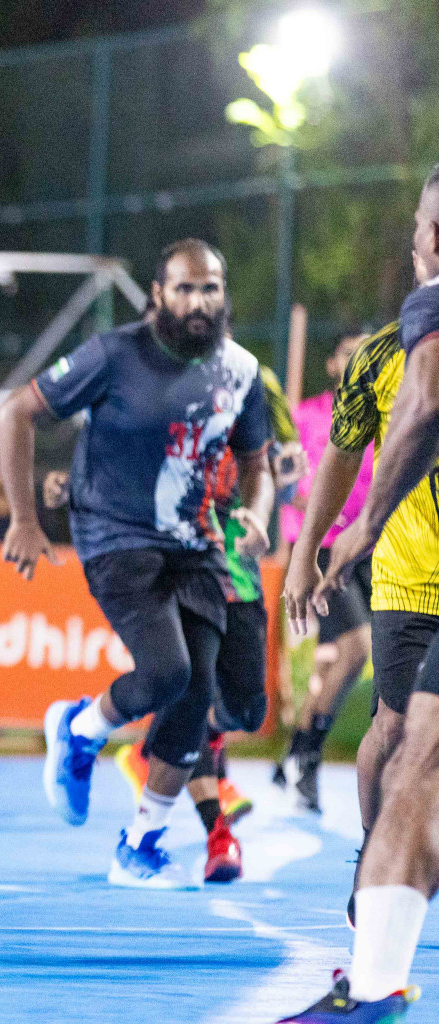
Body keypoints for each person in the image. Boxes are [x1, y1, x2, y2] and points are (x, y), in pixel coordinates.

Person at [0, 238, 273, 890]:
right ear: (157, 295)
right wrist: (25, 519)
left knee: (199, 692)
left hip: (199, 545)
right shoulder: (114, 355)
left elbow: (256, 459)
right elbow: (16, 411)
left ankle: (139, 843)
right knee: (169, 671)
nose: (199, 301)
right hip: (116, 537)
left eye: (210, 288)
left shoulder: (241, 370)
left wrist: (258, 512)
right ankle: (82, 728)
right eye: (184, 288)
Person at [277, 168, 439, 1023]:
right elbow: (346, 450)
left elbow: (420, 416)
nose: (431, 240)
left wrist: (356, 531)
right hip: (413, 579)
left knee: (419, 751)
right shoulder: (383, 352)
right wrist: (310, 547)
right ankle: (376, 902)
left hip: (390, 551)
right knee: (401, 737)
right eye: (428, 222)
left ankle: (378, 951)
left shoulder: (429, 319)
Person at [50, 360, 298, 884]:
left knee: (246, 709)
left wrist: (279, 496)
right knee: (188, 687)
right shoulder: (145, 378)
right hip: (182, 560)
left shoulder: (256, 384)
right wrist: (75, 487)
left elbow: (282, 472)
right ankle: (212, 834)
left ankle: (154, 749)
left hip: (238, 562)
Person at [275, 330, 377, 813]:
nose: (360, 360)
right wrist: (317, 516)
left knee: (349, 658)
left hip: (372, 546)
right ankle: (306, 755)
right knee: (356, 648)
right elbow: (281, 479)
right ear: (334, 364)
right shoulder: (307, 416)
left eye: (368, 352)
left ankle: (296, 751)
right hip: (320, 549)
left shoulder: (389, 415)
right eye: (349, 352)